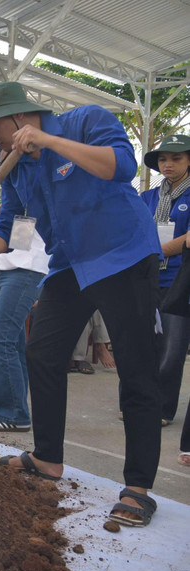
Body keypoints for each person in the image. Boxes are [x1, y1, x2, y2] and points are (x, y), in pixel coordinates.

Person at [0, 81, 162, 527]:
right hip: (70, 265)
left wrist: (50, 141)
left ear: (19, 116)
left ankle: (138, 487)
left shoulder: (85, 121)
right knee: (42, 352)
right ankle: (47, 458)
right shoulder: (16, 170)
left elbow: (121, 167)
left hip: (124, 255)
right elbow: (12, 236)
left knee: (136, 367)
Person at [0, 196, 49, 432]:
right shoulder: (11, 191)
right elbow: (13, 238)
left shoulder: (37, 186)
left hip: (27, 268)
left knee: (1, 340)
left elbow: (30, 229)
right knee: (12, 342)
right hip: (4, 266)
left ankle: (13, 413)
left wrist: (14, 212)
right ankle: (9, 403)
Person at [140, 134, 190, 428]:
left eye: (176, 158)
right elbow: (133, 232)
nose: (168, 164)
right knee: (141, 343)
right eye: (162, 159)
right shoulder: (147, 197)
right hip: (146, 278)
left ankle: (161, 407)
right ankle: (137, 401)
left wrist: (152, 251)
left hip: (178, 280)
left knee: (172, 347)